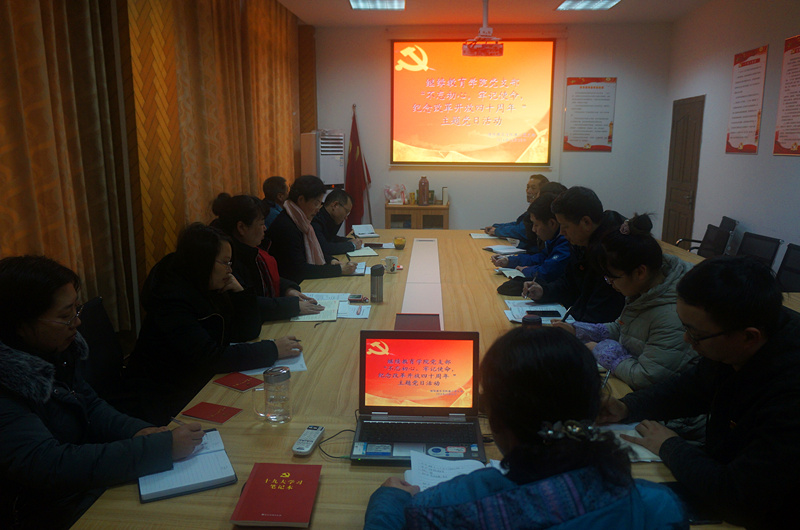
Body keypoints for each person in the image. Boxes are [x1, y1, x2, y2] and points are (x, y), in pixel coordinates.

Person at [364, 327, 687, 529]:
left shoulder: (438, 509)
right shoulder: (657, 506)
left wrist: (388, 502)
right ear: (596, 409)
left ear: (497, 422)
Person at [0, 255, 205, 529]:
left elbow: (92, 406)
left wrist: (137, 431)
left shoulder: (56, 352)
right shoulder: (7, 383)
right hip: (50, 509)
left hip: (88, 483)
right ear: (20, 325)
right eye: (65, 316)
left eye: (77, 309)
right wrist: (158, 448)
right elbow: (50, 465)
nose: (77, 323)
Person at [599, 256, 800, 528]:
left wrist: (671, 446)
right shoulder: (738, 337)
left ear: (749, 337)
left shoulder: (790, 393)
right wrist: (627, 406)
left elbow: (742, 499)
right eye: (684, 327)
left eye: (695, 334)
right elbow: (693, 387)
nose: (686, 340)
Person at [125, 223, 301, 425]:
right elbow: (209, 357)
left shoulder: (208, 285)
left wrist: (240, 293)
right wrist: (272, 349)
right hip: (165, 397)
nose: (230, 270)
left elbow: (247, 331)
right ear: (202, 262)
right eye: (225, 263)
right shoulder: (171, 301)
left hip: (198, 382)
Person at [552, 213, 696, 389]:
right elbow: (623, 327)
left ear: (640, 272)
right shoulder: (646, 291)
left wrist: (601, 349)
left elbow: (645, 376)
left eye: (612, 278)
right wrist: (577, 330)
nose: (609, 283)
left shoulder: (672, 316)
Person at [210, 193, 323, 321]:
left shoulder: (253, 250)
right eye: (261, 223)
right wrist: (292, 306)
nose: (265, 228)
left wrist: (288, 290)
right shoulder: (228, 259)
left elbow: (267, 278)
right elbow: (248, 301)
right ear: (241, 227)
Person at [522, 186, 625, 323]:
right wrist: (544, 291)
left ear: (586, 223)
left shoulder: (613, 251)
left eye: (565, 226)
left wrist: (574, 330)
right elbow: (569, 282)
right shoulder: (581, 242)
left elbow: (602, 311)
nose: (561, 232)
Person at [266, 175, 357, 283]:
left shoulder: (301, 221)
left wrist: (331, 260)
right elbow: (299, 270)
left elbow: (313, 250)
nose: (318, 209)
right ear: (301, 200)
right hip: (291, 285)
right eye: (316, 203)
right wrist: (339, 270)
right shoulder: (287, 226)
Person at [491, 192, 570, 284]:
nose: (533, 229)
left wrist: (526, 270)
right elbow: (540, 258)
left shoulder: (566, 241)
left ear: (552, 223)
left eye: (536, 225)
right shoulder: (553, 239)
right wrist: (509, 260)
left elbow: (546, 273)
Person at [484, 174, 549, 251]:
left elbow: (521, 231)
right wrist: (496, 226)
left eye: (533, 188)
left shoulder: (541, 211)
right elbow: (518, 224)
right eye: (527, 187)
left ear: (541, 192)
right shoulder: (531, 209)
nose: (528, 191)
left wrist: (497, 231)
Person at [311, 188, 363, 255]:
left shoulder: (330, 217)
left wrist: (348, 240)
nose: (346, 217)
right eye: (346, 212)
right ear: (335, 205)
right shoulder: (315, 219)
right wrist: (352, 245)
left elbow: (331, 238)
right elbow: (324, 248)